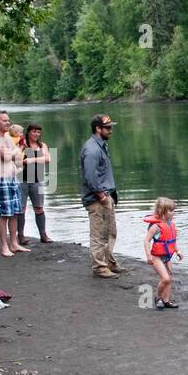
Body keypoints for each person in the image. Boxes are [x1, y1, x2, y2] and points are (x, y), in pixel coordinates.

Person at [79, 114, 124, 278]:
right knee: (99, 234)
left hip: (106, 196)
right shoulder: (92, 149)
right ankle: (99, 267)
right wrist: (102, 196)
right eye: (108, 128)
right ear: (98, 128)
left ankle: (109, 262)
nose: (111, 130)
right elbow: (90, 176)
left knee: (111, 232)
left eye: (111, 127)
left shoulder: (101, 145)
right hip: (98, 199)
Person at [0, 110, 29, 257]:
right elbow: (5, 156)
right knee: (5, 214)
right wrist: (14, 151)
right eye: (4, 120)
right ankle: (4, 246)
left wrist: (14, 151)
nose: (8, 123)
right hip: (1, 179)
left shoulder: (8, 138)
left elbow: (17, 155)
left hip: (13, 178)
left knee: (16, 212)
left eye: (8, 120)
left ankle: (14, 243)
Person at [144, 197, 182, 309]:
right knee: (165, 278)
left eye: (173, 210)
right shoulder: (156, 226)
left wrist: (178, 251)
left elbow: (172, 241)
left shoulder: (171, 224)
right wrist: (148, 256)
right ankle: (158, 297)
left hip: (167, 257)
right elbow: (146, 240)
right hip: (157, 257)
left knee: (169, 279)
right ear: (162, 211)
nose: (173, 213)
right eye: (171, 211)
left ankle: (166, 301)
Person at [18, 123, 53, 245]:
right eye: (34, 132)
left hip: (37, 180)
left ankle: (43, 235)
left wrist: (32, 159)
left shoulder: (42, 145)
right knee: (21, 208)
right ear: (28, 132)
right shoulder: (22, 144)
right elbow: (17, 159)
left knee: (39, 208)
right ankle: (21, 236)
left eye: (38, 132)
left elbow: (48, 159)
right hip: (21, 180)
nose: (37, 134)